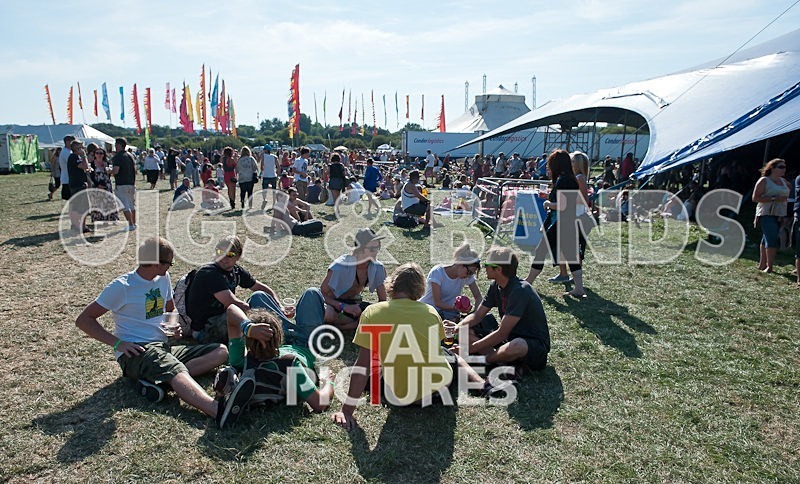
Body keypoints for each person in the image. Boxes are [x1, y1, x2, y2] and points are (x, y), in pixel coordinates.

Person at [75, 237, 255, 429]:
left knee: (221, 351)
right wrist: (119, 343)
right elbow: (84, 320)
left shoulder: (163, 278)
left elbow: (170, 308)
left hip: (163, 346)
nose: (170, 267)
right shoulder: (122, 286)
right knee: (174, 369)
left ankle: (158, 382)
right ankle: (218, 410)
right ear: (155, 263)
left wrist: (173, 325)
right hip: (136, 351)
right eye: (169, 262)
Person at [331, 263, 488, 432]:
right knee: (450, 355)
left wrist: (346, 411)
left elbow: (363, 365)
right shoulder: (430, 312)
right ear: (420, 289)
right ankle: (481, 384)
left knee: (371, 371)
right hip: (437, 392)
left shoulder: (372, 312)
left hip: (398, 397)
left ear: (391, 284)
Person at [216, 298, 334, 412]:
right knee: (311, 293)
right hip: (306, 342)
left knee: (258, 296)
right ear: (279, 335)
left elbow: (231, 310)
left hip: (283, 343)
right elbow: (320, 404)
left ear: (247, 339)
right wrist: (328, 381)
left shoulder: (241, 361)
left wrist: (249, 327)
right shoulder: (291, 365)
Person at [458, 247, 550, 378]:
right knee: (465, 330)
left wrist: (471, 348)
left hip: (532, 347)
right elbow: (477, 316)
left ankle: (486, 359)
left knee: (517, 345)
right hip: (508, 339)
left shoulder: (520, 290)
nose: (484, 268)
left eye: (487, 264)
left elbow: (502, 333)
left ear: (498, 269)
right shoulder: (496, 286)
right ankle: (502, 360)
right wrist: (457, 328)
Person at [186, 235, 285, 344]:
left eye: (230, 255)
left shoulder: (236, 271)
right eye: (220, 252)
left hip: (223, 319)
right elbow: (232, 303)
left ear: (238, 256)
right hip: (205, 330)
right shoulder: (210, 273)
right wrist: (265, 315)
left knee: (259, 296)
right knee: (239, 314)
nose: (224, 258)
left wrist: (279, 307)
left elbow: (260, 288)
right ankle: (283, 333)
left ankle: (283, 329)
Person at [525, 149, 588, 298]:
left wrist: (548, 204)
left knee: (541, 251)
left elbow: (564, 205)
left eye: (550, 164)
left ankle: (528, 282)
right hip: (565, 221)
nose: (548, 167)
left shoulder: (565, 180)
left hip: (561, 222)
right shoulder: (568, 179)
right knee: (571, 255)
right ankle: (579, 288)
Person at [320, 228, 388, 330]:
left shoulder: (377, 267)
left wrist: (374, 313)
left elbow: (382, 300)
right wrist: (343, 306)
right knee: (328, 314)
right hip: (332, 304)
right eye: (372, 249)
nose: (376, 252)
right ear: (360, 248)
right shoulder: (340, 266)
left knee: (381, 315)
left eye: (378, 247)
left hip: (353, 305)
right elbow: (321, 295)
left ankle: (343, 325)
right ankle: (350, 324)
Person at [548, 150, 594, 286]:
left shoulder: (579, 178)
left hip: (577, 216)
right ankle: (565, 274)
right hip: (570, 215)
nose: (570, 163)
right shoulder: (572, 177)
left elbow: (584, 200)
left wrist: (566, 200)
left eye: (573, 161)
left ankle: (572, 276)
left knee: (573, 249)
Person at [418, 243, 482, 321]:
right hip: (429, 311)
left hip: (449, 313)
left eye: (472, 273)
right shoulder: (438, 272)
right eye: (469, 272)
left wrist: (475, 314)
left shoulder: (466, 276)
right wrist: (455, 308)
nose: (469, 276)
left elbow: (478, 297)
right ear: (460, 264)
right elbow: (437, 302)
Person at [752, 158, 791, 273]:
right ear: (772, 168)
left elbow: (788, 193)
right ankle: (769, 266)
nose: (784, 169)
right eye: (781, 167)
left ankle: (762, 264)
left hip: (780, 213)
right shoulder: (764, 180)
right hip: (766, 213)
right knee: (772, 238)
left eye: (784, 167)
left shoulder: (784, 181)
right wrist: (774, 198)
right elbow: (755, 198)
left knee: (766, 237)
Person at [109, 138, 138, 231]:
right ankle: (134, 223)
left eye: (116, 144)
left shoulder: (118, 156)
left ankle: (130, 224)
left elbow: (115, 171)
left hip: (122, 183)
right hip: (131, 182)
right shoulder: (130, 155)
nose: (115, 146)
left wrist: (108, 171)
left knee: (124, 205)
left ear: (119, 145)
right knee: (131, 204)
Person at [66, 140, 91, 232]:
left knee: (79, 206)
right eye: (81, 147)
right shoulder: (74, 157)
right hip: (78, 184)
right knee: (81, 207)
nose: (83, 149)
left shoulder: (74, 157)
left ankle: (79, 225)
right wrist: (84, 155)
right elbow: (85, 166)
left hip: (77, 184)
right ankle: (79, 226)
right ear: (77, 148)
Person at [58, 135, 75, 200]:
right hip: (67, 180)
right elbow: (73, 164)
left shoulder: (69, 151)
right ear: (68, 142)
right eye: (73, 142)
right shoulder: (66, 152)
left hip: (69, 179)